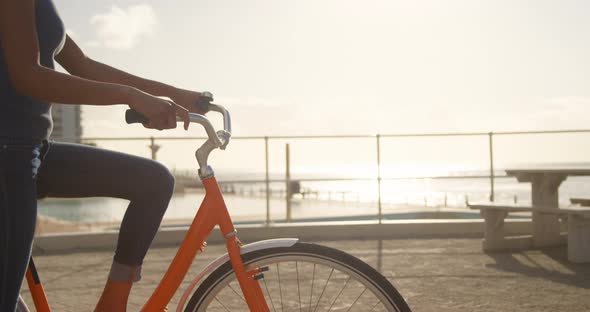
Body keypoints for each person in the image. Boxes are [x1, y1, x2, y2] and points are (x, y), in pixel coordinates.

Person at [0, 0, 210, 310]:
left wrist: (174, 95)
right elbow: (28, 75)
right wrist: (129, 97)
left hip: (33, 150)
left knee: (153, 181)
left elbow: (83, 64)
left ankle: (112, 304)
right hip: (8, 156)